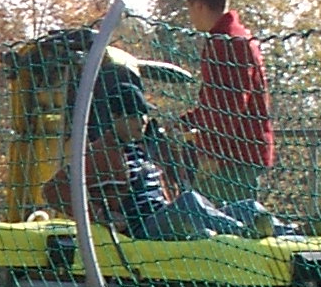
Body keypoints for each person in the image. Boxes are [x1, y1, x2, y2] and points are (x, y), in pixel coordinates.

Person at [99, 74, 252, 239]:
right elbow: (77, 194)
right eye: (134, 115)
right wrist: (101, 215)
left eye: (145, 114)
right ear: (114, 116)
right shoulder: (99, 153)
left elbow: (177, 181)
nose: (143, 121)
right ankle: (243, 233)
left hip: (165, 215)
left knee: (249, 208)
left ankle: (270, 236)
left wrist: (173, 147)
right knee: (189, 201)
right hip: (141, 228)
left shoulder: (143, 149)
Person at [182, 0, 274, 188]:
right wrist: (190, 121)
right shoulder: (235, 36)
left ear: (199, 6)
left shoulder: (227, 42)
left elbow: (229, 103)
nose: (191, 17)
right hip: (241, 150)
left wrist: (213, 153)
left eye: (190, 9)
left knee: (215, 208)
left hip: (233, 157)